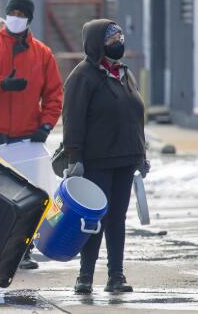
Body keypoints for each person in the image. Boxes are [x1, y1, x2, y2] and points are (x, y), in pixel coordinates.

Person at [0, 0, 63, 269]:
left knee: (30, 199)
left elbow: (54, 94)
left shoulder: (43, 54)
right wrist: (2, 84)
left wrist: (46, 125)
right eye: (12, 12)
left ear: (29, 19)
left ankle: (23, 252)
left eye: (21, 14)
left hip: (28, 139)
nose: (15, 18)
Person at [63, 19, 149, 295]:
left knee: (118, 219)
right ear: (97, 43)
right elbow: (72, 121)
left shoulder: (124, 73)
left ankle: (116, 275)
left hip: (125, 158)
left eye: (120, 37)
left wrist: (141, 153)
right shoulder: (82, 76)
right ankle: (85, 276)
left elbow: (136, 115)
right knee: (94, 220)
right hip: (96, 161)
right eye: (112, 39)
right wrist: (74, 158)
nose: (119, 43)